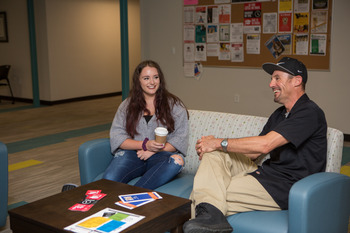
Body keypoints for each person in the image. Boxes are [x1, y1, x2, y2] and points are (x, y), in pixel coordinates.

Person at [183, 57, 327, 233]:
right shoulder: (280, 114)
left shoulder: (309, 112)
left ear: (297, 81)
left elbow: (265, 145)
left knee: (206, 198)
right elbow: (253, 154)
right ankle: (212, 219)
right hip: (264, 173)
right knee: (213, 153)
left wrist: (219, 141)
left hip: (283, 186)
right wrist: (214, 146)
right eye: (271, 79)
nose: (271, 84)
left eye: (277, 78)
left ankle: (210, 220)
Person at [102, 60, 189, 190]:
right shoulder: (126, 105)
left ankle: (133, 195)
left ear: (160, 79)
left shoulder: (175, 106)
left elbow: (179, 138)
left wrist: (153, 150)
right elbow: (117, 136)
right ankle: (89, 201)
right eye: (146, 78)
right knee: (109, 180)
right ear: (139, 81)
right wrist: (144, 145)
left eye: (155, 77)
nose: (152, 82)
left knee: (177, 161)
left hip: (161, 156)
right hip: (132, 154)